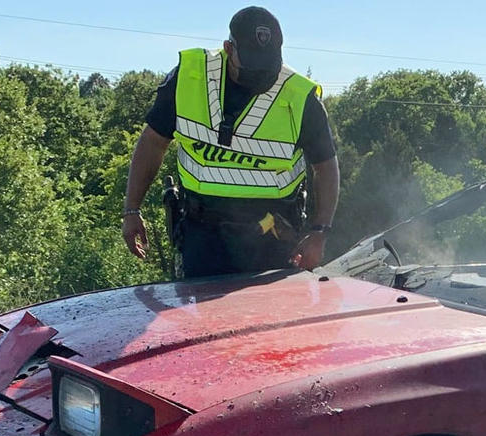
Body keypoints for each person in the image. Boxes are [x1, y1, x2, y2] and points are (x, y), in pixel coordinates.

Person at [121, 6, 339, 277]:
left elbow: (326, 167)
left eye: (268, 65)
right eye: (252, 65)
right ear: (228, 48)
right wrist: (132, 209)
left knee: (275, 318)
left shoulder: (300, 97)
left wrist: (319, 232)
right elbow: (153, 142)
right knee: (204, 319)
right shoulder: (190, 76)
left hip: (274, 236)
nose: (260, 74)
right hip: (203, 235)